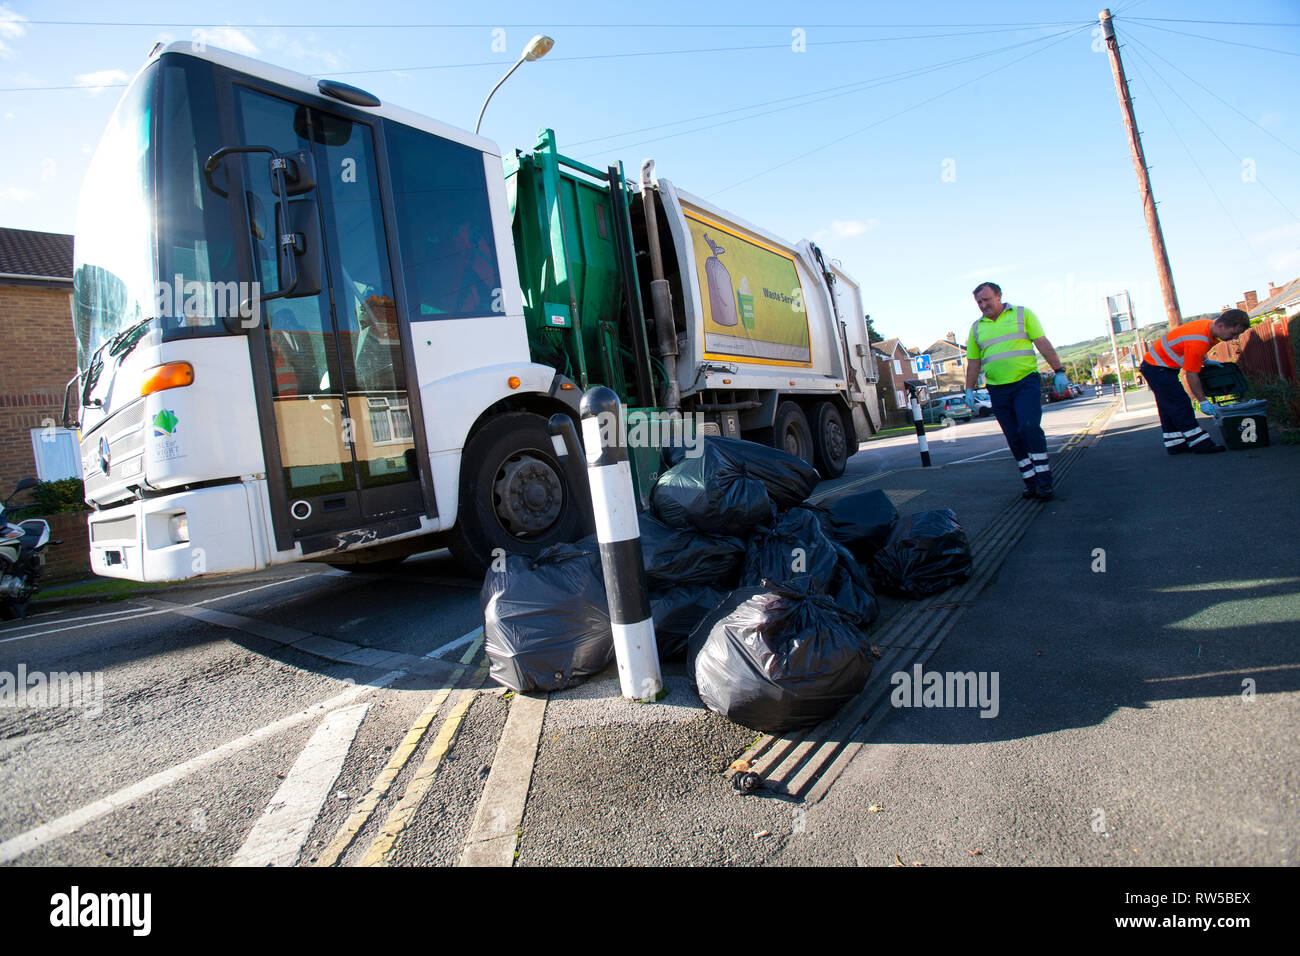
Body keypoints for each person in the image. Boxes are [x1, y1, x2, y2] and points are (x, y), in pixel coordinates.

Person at [963, 282, 1069, 502]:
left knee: (1028, 427)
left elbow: (1042, 342)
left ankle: (1044, 481)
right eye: (979, 302)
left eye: (986, 299)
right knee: (1013, 435)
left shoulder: (1023, 314)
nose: (983, 305)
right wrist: (969, 389)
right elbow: (973, 362)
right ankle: (1030, 482)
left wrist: (1059, 370)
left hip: (1025, 382)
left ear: (999, 296)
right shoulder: (976, 328)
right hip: (997, 388)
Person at [1138, 308, 1249, 455]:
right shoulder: (1199, 340)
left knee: (1168, 406)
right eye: (1233, 333)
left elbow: (1188, 348)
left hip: (1156, 367)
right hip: (1158, 368)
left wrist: (1205, 360)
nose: (1234, 338)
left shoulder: (1207, 326)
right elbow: (1192, 374)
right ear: (1221, 325)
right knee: (1180, 404)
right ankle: (1201, 443)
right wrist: (1202, 400)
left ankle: (1175, 444)